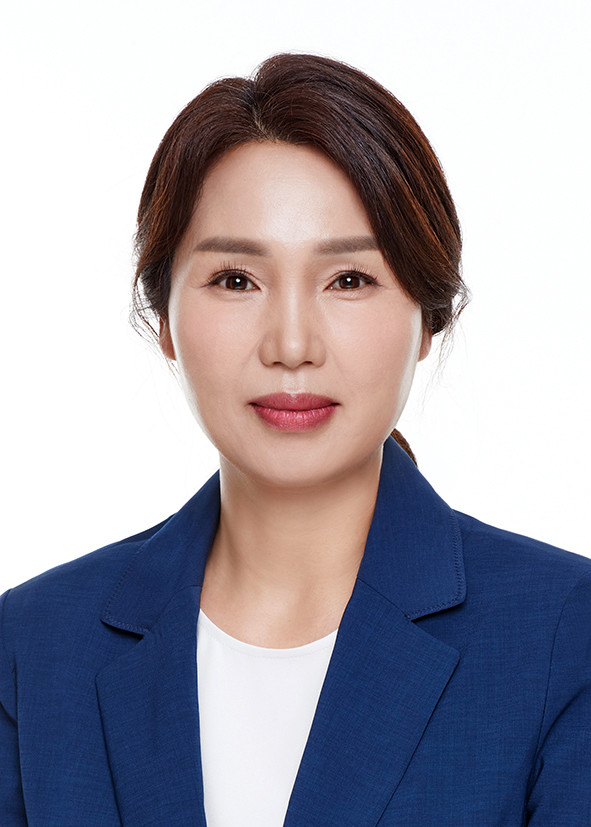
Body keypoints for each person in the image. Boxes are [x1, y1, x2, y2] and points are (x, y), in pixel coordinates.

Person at [1, 52, 589, 827]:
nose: (290, 345)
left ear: (427, 319)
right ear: (163, 319)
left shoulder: (563, 635)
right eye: (235, 279)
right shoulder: (35, 645)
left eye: (348, 279)